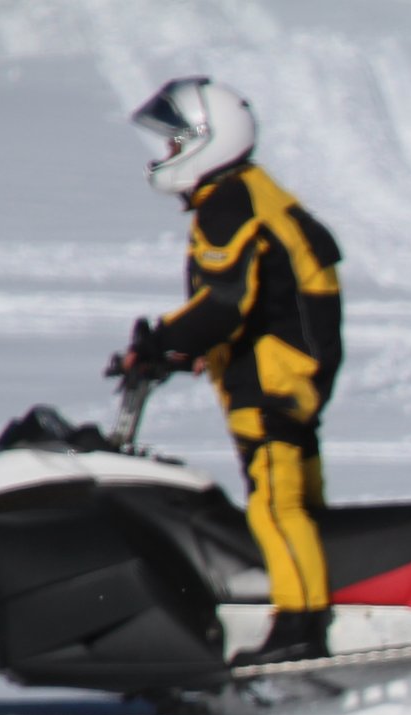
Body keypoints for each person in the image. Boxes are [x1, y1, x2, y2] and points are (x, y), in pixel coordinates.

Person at [109, 76, 344, 667]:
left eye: (173, 143)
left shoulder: (227, 204)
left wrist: (161, 343)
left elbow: (222, 303)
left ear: (204, 140)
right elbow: (260, 296)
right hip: (290, 369)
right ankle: (327, 606)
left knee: (275, 503)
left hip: (272, 379)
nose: (164, 155)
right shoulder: (250, 190)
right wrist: (188, 351)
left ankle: (300, 627)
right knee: (299, 500)